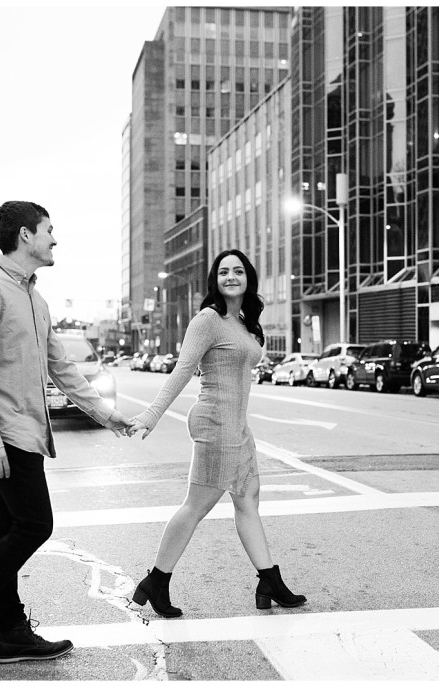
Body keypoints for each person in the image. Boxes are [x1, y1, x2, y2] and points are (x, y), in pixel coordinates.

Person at [0, 200, 131, 671]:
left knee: (3, 533)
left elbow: (61, 367)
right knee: (35, 525)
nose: (54, 239)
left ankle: (12, 634)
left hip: (28, 433)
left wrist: (105, 413)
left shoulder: (35, 299)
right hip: (6, 434)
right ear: (25, 236)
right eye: (48, 230)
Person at [127, 249, 306, 617]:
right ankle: (156, 581)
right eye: (223, 271)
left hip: (236, 425)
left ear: (247, 278)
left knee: (247, 499)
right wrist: (152, 414)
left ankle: (268, 579)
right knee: (197, 506)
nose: (230, 277)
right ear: (215, 279)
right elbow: (182, 369)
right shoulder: (207, 319)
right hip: (216, 425)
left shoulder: (243, 321)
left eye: (238, 271)